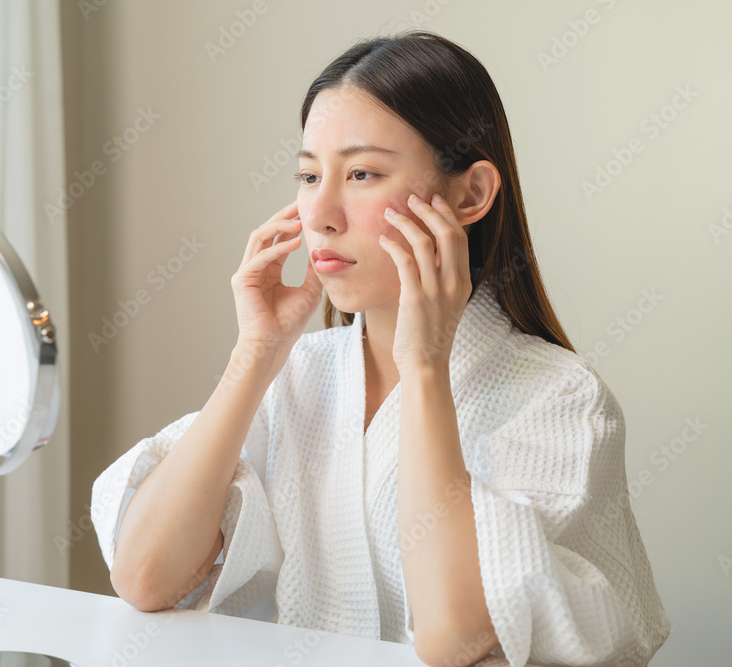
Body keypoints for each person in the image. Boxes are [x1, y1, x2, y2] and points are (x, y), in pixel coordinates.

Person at [91, 30, 671, 667]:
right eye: (309, 175)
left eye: (362, 173)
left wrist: (425, 367)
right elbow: (145, 576)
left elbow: (455, 638)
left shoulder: (560, 398)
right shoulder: (300, 375)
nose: (320, 214)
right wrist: (256, 352)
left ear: (470, 194)